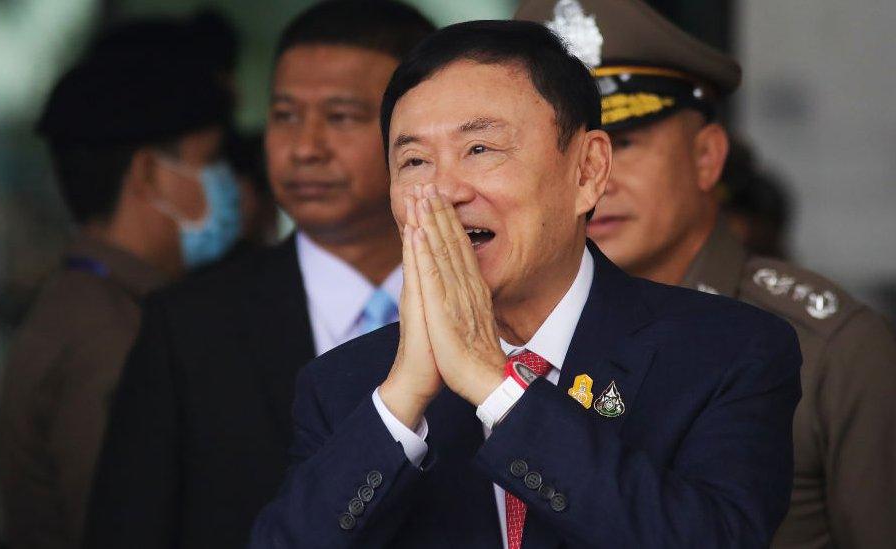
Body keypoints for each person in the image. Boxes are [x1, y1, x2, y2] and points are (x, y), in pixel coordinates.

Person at [250, 20, 802, 548]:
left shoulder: (728, 353)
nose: (445, 192)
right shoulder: (348, 389)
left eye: (480, 150)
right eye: (415, 161)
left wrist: (496, 385)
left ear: (587, 172)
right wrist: (405, 397)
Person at [516, 0, 896, 547]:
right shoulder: (511, 338)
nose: (596, 181)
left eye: (624, 144)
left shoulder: (831, 350)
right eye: (562, 153)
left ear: (707, 157)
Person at [82, 3, 436, 548]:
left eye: (341, 117)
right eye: (285, 115)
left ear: (419, 131)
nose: (305, 148)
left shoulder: (496, 309)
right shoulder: (188, 326)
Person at [0, 35, 236, 549]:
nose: (229, 184)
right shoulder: (115, 335)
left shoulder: (93, 301)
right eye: (211, 161)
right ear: (149, 172)